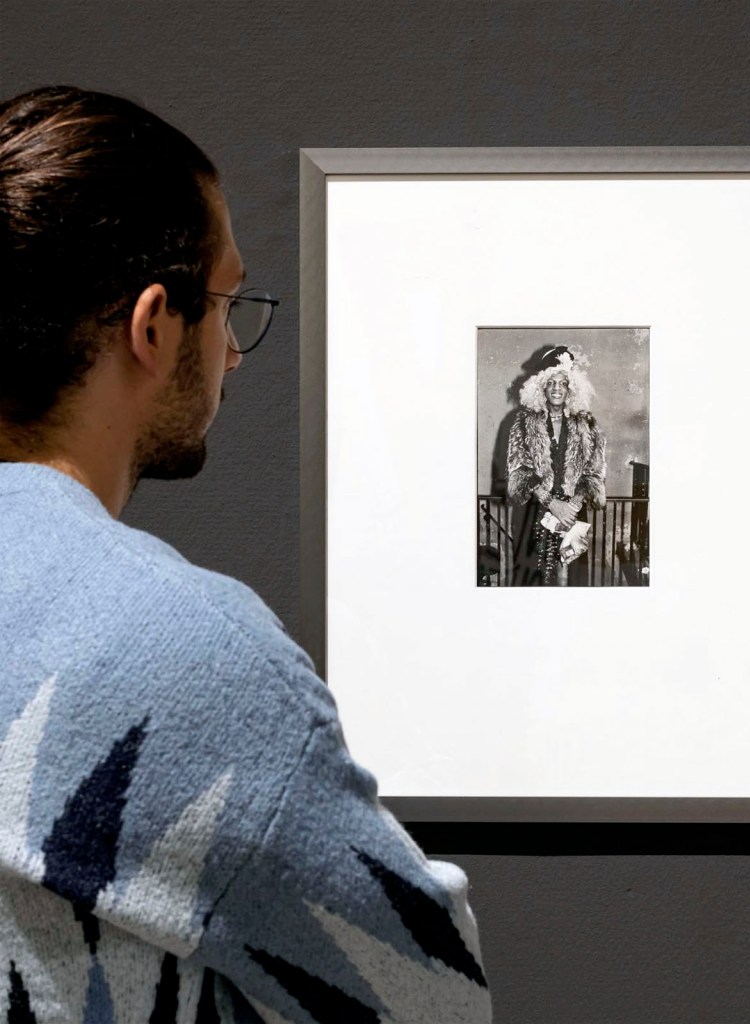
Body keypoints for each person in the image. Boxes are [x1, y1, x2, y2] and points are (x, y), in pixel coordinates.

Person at [0, 86, 490, 1023]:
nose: (232, 350)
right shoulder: (186, 651)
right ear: (153, 326)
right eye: (227, 303)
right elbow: (432, 995)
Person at [506, 346, 607, 586]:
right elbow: (518, 471)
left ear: (571, 388)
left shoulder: (586, 423)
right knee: (534, 580)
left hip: (573, 515)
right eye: (551, 382)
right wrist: (552, 504)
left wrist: (572, 505)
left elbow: (594, 470)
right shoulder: (524, 421)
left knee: (573, 579)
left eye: (563, 383)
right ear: (541, 387)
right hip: (534, 514)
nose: (557, 388)